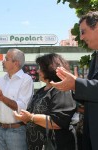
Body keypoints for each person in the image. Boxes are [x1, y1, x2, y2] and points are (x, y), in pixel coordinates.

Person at [50, 11, 98, 150]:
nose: (81, 37)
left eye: (83, 32)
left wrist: (77, 83)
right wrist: (73, 86)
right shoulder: (95, 57)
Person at [14, 53, 77, 150]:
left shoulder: (62, 90)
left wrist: (31, 117)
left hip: (55, 145)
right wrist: (25, 118)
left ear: (50, 69)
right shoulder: (41, 91)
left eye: (41, 68)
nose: (38, 71)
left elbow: (58, 122)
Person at [0, 48, 34, 150]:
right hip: (0, 129)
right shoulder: (1, 80)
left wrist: (1, 97)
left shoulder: (26, 80)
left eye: (6, 59)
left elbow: (21, 108)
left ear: (16, 63)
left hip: (17, 131)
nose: (3, 61)